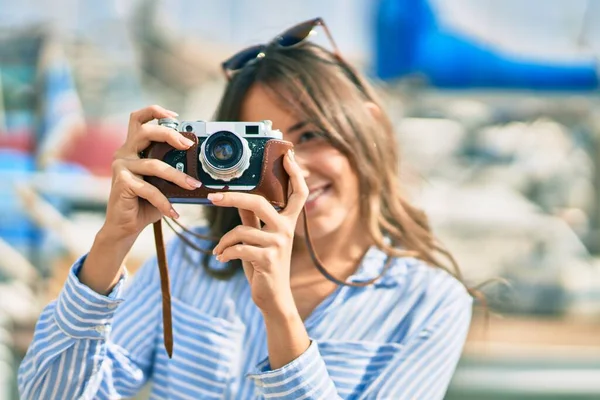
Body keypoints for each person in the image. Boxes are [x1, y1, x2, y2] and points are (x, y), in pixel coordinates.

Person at [18, 17, 473, 400]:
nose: (295, 168)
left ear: (368, 126)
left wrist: (280, 313)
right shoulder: (191, 258)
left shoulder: (429, 303)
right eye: (267, 148)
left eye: (313, 135)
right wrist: (111, 245)